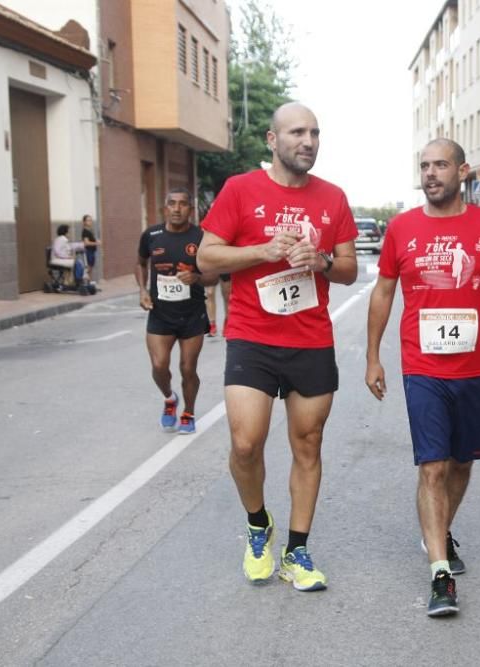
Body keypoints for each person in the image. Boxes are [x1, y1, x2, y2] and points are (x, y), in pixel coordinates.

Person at [366, 138, 480, 618]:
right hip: (422, 368)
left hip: (475, 369)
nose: (430, 173)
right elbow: (384, 293)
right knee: (431, 466)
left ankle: (440, 528)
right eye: (424, 165)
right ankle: (440, 574)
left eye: (440, 165)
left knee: (463, 463)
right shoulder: (402, 228)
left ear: (462, 171)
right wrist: (373, 356)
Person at [198, 102, 358, 590]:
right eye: (296, 132)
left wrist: (323, 261)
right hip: (252, 336)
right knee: (245, 444)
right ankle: (256, 522)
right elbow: (206, 258)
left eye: (314, 132)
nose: (307, 141)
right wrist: (261, 251)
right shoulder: (240, 190)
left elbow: (350, 269)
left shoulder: (333, 198)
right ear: (272, 140)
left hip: (310, 339)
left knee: (308, 444)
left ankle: (298, 550)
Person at [135, 188, 217, 436]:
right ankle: (170, 399)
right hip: (160, 313)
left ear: (190, 210)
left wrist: (197, 277)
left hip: (192, 313)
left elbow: (214, 276)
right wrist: (142, 290)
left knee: (188, 368)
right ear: (165, 208)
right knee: (159, 366)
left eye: (183, 204)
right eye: (172, 203)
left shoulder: (201, 237)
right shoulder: (151, 235)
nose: (177, 208)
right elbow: (140, 263)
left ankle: (188, 412)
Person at [81, 214, 100, 283]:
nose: (90, 222)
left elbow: (91, 240)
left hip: (92, 251)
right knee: (88, 267)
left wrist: (96, 241)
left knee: (91, 267)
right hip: (88, 251)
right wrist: (96, 243)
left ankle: (90, 281)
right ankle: (85, 281)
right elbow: (86, 243)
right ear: (84, 222)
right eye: (88, 220)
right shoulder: (85, 231)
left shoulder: (90, 230)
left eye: (91, 220)